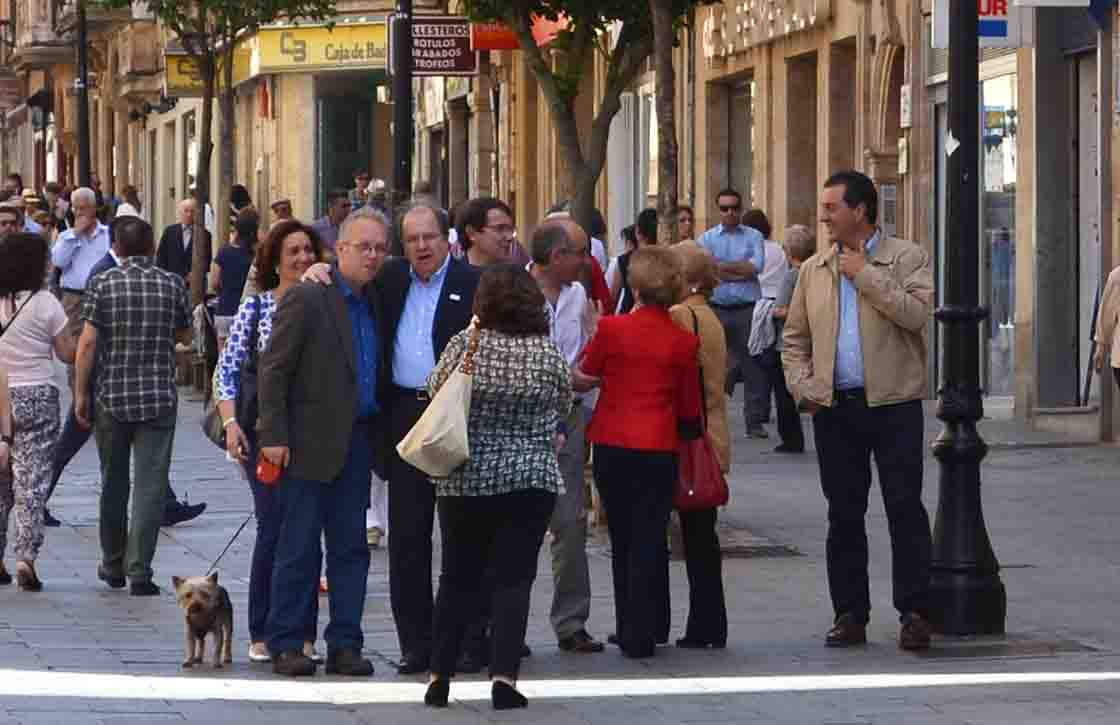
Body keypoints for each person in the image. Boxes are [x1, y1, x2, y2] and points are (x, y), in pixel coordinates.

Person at [782, 170, 935, 651]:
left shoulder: (906, 257)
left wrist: (865, 275)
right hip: (836, 408)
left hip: (894, 405)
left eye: (831, 208)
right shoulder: (814, 269)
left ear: (860, 211)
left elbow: (917, 316)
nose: (824, 217)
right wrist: (803, 386)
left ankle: (914, 612)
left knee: (904, 508)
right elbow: (794, 340)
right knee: (843, 513)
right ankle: (849, 612)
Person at [423, 265, 572, 711]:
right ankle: (504, 677)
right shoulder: (545, 354)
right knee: (513, 581)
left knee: (456, 578)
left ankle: (439, 676)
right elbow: (563, 401)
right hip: (529, 480)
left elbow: (434, 392)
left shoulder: (464, 346)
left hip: (465, 478)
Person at [256, 211, 389, 678]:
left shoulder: (377, 297)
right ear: (342, 249)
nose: (372, 256)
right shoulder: (309, 297)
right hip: (306, 443)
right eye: (363, 247)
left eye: (379, 248)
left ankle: (345, 645)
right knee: (299, 547)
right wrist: (272, 435)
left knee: (351, 549)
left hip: (357, 441)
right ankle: (288, 642)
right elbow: (274, 368)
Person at [575, 246, 702, 659]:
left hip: (614, 442)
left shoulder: (612, 330)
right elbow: (688, 406)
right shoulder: (683, 341)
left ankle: (628, 623)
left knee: (623, 537)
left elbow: (586, 376)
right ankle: (643, 629)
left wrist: (593, 335)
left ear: (635, 286)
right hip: (658, 444)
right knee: (650, 536)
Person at [216, 220, 332, 666]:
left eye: (309, 250)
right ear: (275, 261)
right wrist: (231, 425)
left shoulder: (327, 303)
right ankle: (262, 627)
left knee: (307, 532)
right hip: (263, 435)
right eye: (293, 252)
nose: (303, 258)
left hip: (314, 437)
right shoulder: (259, 308)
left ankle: (303, 631)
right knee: (274, 526)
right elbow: (227, 371)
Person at [43, 217, 206, 529]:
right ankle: (36, 500)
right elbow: (91, 338)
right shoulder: (104, 273)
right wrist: (82, 389)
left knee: (142, 450)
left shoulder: (112, 270)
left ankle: (166, 504)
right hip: (106, 378)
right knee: (72, 444)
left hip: (121, 379)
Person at [378, 199, 480, 674]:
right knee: (408, 537)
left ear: (448, 240)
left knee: (461, 533)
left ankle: (460, 641)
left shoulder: (472, 285)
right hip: (403, 414)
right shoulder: (390, 280)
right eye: (412, 239)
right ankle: (416, 644)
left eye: (430, 237)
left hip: (454, 415)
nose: (421, 246)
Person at [74, 217, 192, 597]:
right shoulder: (172, 284)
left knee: (113, 481)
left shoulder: (103, 283)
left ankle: (112, 563)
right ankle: (140, 570)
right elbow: (184, 335)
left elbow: (88, 342)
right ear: (152, 246)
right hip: (158, 397)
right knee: (150, 485)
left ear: (118, 249)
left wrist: (80, 392)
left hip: (112, 395)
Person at [528, 221, 606, 655]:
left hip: (571, 420)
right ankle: (508, 624)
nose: (586, 260)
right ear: (556, 257)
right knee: (518, 523)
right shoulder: (515, 290)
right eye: (579, 252)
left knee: (570, 521)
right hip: (525, 421)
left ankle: (571, 621)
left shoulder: (579, 296)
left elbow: (589, 352)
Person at [0, 233, 76, 591]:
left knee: (0, 482)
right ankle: (25, 557)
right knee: (31, 483)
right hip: (37, 396)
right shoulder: (47, 303)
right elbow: (66, 353)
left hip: (1, 394)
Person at [669, 243, 729, 648]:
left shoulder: (680, 314)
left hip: (690, 438)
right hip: (714, 435)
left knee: (692, 539)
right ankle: (710, 623)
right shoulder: (709, 315)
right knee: (703, 539)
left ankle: (700, 624)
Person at [699, 188, 768, 439]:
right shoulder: (706, 239)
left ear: (741, 209)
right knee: (712, 365)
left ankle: (755, 421)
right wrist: (739, 269)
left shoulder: (754, 236)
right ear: (718, 210)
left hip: (747, 309)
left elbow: (755, 268)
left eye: (734, 208)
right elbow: (708, 270)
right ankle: (709, 420)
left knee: (753, 365)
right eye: (724, 208)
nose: (730, 213)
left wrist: (722, 268)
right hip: (716, 308)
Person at [766, 226, 812, 454]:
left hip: (788, 343)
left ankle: (791, 438)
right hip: (814, 342)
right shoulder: (816, 273)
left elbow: (780, 309)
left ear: (788, 251)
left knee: (784, 395)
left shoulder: (791, 276)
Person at [743, 208, 789, 429]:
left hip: (755, 304)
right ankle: (767, 407)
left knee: (755, 358)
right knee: (773, 358)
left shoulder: (749, 250)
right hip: (778, 305)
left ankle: (758, 408)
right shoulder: (779, 249)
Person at [50, 188, 110, 346]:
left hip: (103, 297)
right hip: (73, 298)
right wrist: (75, 234)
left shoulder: (109, 234)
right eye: (75, 208)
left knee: (101, 344)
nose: (78, 212)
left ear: (93, 208)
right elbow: (58, 261)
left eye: (82, 208)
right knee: (74, 347)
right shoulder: (66, 236)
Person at [156, 198, 212, 290]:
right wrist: (165, 276)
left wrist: (196, 273)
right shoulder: (170, 232)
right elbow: (161, 257)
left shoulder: (205, 235)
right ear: (180, 212)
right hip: (171, 282)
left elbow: (207, 259)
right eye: (186, 211)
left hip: (194, 285)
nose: (189, 214)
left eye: (192, 211)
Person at [213, 209, 259, 318]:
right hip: (249, 312)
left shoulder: (223, 252)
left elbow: (214, 283)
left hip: (225, 309)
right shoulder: (256, 256)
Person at [457, 197, 516, 268]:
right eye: (500, 228)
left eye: (510, 229)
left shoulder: (518, 276)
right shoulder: (452, 277)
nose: (510, 237)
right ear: (471, 233)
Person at [310, 189, 349, 254]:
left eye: (349, 205)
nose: (348, 209)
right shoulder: (316, 228)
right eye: (344, 206)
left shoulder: (351, 227)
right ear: (331, 206)